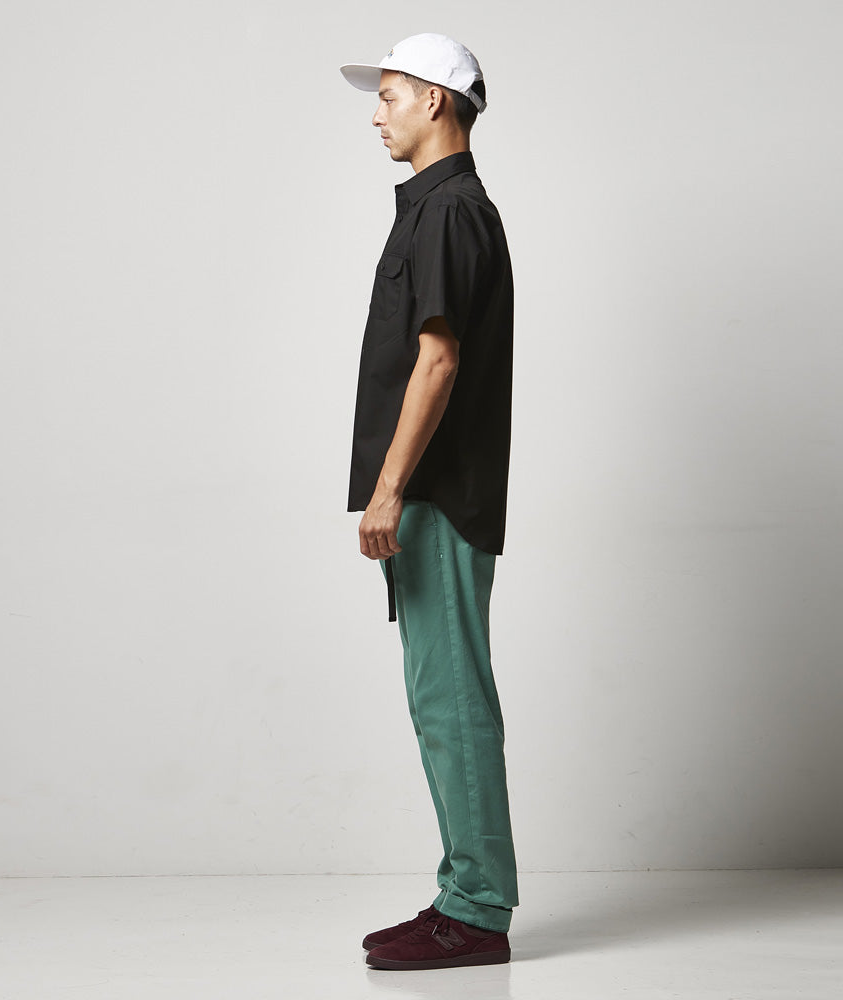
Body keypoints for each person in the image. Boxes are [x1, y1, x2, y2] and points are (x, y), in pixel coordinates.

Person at [339, 33, 518, 972]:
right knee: (438, 696)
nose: (377, 113)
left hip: (439, 496)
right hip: (434, 495)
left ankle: (477, 910)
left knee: (450, 699)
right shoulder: (438, 209)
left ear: (436, 101)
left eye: (390, 95)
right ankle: (463, 893)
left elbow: (438, 361)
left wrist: (389, 490)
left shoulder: (449, 212)